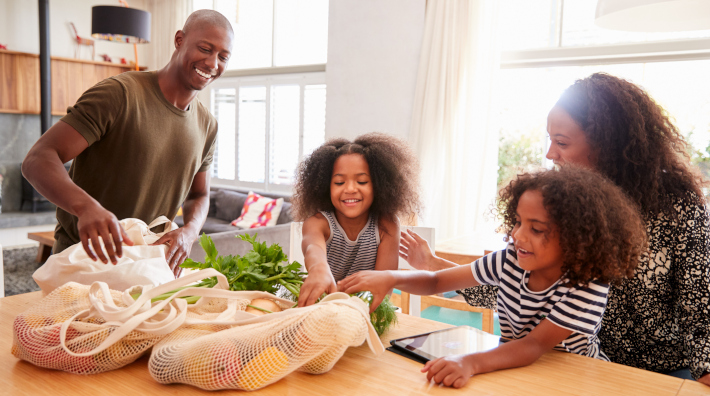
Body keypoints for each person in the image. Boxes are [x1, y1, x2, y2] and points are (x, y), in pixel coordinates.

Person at [418, 72, 710, 384]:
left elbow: (701, 309)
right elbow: (525, 292)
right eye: (550, 140)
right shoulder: (568, 209)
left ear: (607, 146)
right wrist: (437, 270)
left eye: (562, 142)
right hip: (579, 365)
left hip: (659, 373)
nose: (550, 154)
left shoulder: (678, 207)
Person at [340, 167, 647, 388]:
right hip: (513, 367)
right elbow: (436, 281)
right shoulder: (509, 259)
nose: (518, 235)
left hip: (576, 379)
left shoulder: (586, 285)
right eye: (517, 222)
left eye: (536, 229)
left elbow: (532, 346)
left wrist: (469, 362)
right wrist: (391, 278)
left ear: (577, 239)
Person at [22, 10, 233, 275]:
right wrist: (86, 208)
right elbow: (37, 159)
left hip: (147, 266)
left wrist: (189, 231)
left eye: (224, 56)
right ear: (179, 40)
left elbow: (199, 194)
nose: (213, 63)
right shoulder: (119, 94)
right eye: (205, 48)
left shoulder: (208, 126)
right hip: (81, 261)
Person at [291, 132, 421, 307]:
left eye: (361, 182)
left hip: (365, 311)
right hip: (323, 310)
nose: (350, 189)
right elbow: (313, 247)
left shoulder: (386, 225)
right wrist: (318, 267)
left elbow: (383, 287)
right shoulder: (318, 223)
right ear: (325, 187)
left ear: (379, 185)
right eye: (339, 183)